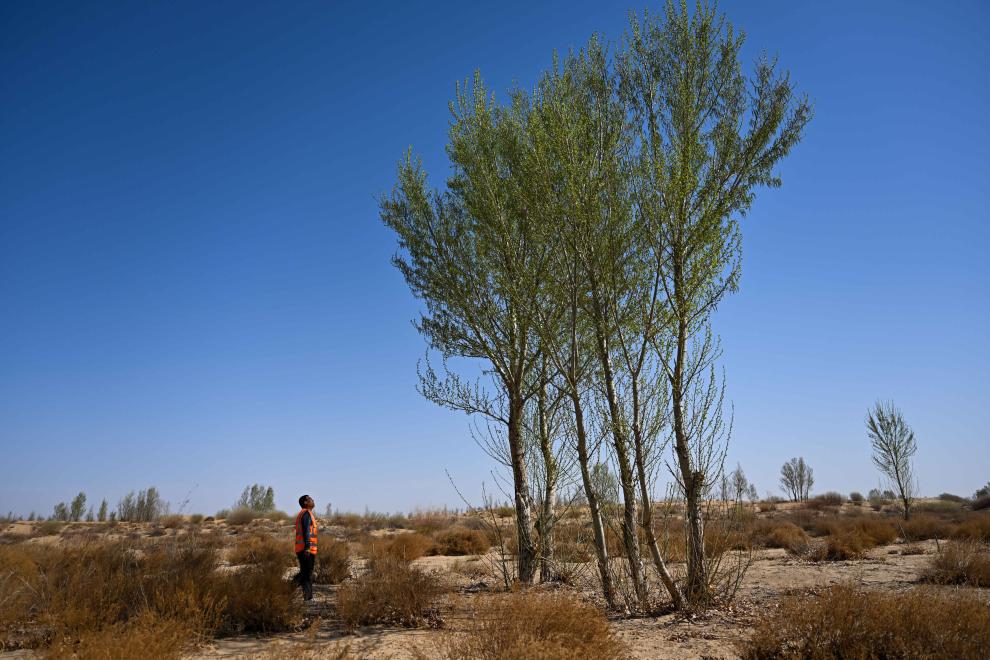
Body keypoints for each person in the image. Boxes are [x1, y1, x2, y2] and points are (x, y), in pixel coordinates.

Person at [293, 494, 318, 600]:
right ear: (305, 502)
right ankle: (308, 599)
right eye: (310, 499)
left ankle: (286, 590)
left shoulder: (303, 514)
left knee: (305, 573)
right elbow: (306, 531)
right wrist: (307, 548)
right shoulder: (306, 514)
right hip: (306, 549)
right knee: (307, 575)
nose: (313, 500)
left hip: (302, 549)